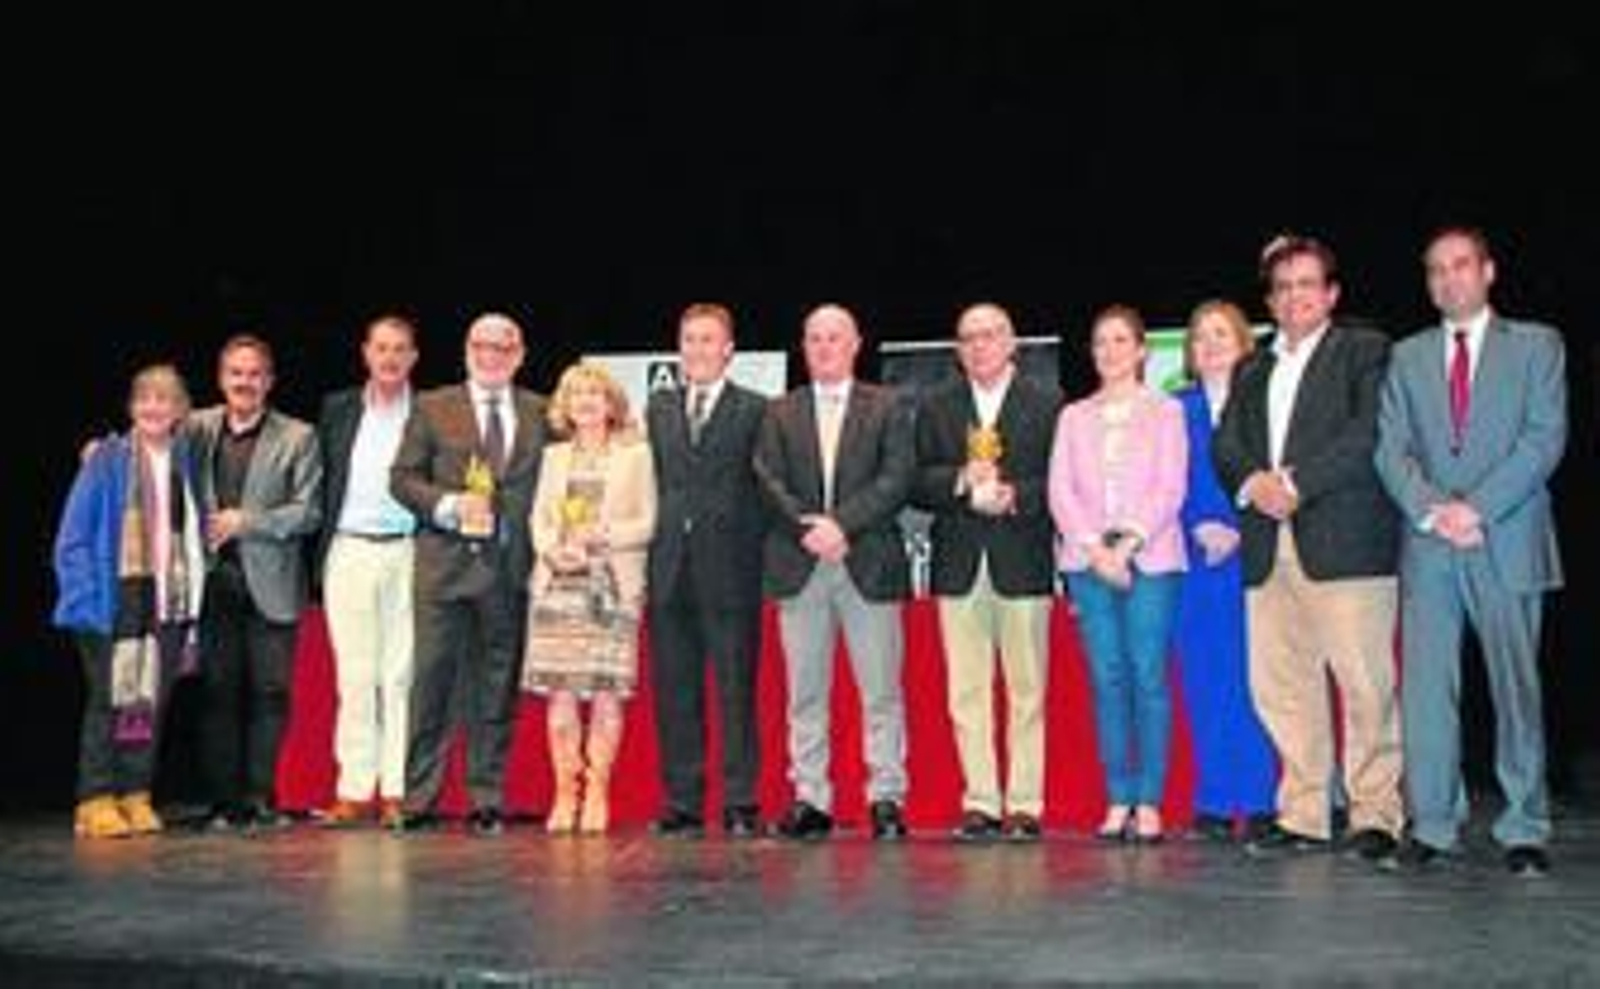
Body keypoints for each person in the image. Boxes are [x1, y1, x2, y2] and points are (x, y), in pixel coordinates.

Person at [1374, 226, 1567, 877]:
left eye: (1460, 265)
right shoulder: (1406, 356)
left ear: (1488, 272)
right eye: (1436, 270)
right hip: (1430, 543)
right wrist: (1435, 510)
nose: (1448, 279)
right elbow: (1391, 450)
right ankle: (1433, 823)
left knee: (1515, 687)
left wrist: (1476, 507)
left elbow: (1544, 438)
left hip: (1505, 536)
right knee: (1426, 690)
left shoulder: (1537, 345)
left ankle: (1524, 825)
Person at [1212, 234, 1403, 864]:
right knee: (1283, 686)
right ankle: (1304, 813)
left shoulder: (1365, 351)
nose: (1295, 296)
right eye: (1283, 287)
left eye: (1306, 284)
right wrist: (1252, 484)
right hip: (1269, 545)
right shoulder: (1252, 367)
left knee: (1365, 685)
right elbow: (1226, 444)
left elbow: (1367, 434)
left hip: (1346, 542)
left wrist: (1295, 484)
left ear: (1331, 293)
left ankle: (1376, 814)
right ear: (1270, 300)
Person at [753, 303, 914, 841]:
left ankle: (886, 796)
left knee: (881, 692)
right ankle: (810, 797)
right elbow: (768, 479)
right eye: (814, 338)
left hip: (866, 561)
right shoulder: (779, 412)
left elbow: (897, 478)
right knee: (805, 693)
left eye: (834, 337)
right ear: (804, 347)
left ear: (855, 344)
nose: (824, 347)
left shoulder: (889, 406)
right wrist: (810, 529)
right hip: (801, 565)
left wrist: (841, 525)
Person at [390, 312, 547, 836]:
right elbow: (402, 478)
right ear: (466, 351)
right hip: (444, 569)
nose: (491, 356)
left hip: (509, 570)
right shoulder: (433, 406)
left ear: (519, 355)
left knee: (496, 689)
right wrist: (449, 504)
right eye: (481, 346)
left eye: (502, 348)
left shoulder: (543, 411)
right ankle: (419, 798)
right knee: (431, 684)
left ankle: (487, 798)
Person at [911, 302, 1061, 842]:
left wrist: (1015, 495)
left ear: (1011, 342)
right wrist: (958, 481)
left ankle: (1024, 804)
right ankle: (980, 802)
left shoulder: (1048, 403)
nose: (979, 346)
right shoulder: (936, 405)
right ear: (958, 350)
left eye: (990, 335)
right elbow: (915, 481)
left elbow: (1063, 480)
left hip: (1023, 559)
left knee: (1027, 690)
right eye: (969, 338)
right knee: (966, 693)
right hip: (958, 563)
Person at [1049, 304, 1188, 844]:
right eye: (1100, 342)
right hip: (1087, 563)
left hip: (1150, 558)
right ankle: (1118, 796)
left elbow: (1170, 487)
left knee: (1147, 674)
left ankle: (1149, 799)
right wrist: (1095, 549)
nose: (1109, 351)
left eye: (1120, 341)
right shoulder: (1073, 416)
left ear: (1141, 350)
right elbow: (1061, 491)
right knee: (1106, 678)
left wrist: (1127, 545)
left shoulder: (1167, 411)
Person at [52, 364, 208, 838]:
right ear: (132, 407)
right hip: (109, 602)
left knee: (146, 704)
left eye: (164, 399)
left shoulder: (185, 462)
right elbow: (72, 538)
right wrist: (84, 600)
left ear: (180, 410)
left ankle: (134, 792)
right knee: (109, 702)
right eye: (144, 399)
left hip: (166, 604)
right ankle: (95, 798)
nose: (153, 408)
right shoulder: (106, 459)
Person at [191, 334, 324, 830]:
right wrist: (101, 450)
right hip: (213, 580)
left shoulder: (298, 436)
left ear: (269, 381)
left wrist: (247, 522)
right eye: (235, 373)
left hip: (273, 583)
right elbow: (148, 440)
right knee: (218, 694)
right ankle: (223, 803)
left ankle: (260, 798)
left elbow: (309, 512)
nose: (244, 382)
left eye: (254, 374)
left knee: (271, 694)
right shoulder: (195, 427)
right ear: (220, 378)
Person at [645, 303, 769, 839]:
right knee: (675, 692)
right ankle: (683, 801)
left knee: (735, 692)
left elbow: (766, 488)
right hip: (669, 568)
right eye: (689, 340)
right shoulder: (658, 409)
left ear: (728, 350)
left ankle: (740, 801)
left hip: (732, 570)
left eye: (708, 340)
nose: (697, 349)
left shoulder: (756, 410)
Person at [522, 361, 657, 835]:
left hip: (611, 586)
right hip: (558, 585)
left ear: (611, 404)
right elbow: (539, 519)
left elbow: (647, 522)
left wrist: (603, 535)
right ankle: (566, 791)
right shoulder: (553, 457)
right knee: (560, 696)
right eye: (576, 394)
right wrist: (551, 550)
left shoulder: (636, 455)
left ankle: (598, 790)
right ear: (565, 405)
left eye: (594, 394)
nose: (585, 402)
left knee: (605, 694)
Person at [1172, 300, 1279, 843]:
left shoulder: (1267, 403)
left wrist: (1239, 526)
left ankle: (1261, 798)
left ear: (1244, 345)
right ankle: (1214, 799)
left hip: (1252, 557)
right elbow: (1158, 482)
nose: (1210, 344)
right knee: (1204, 681)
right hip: (1193, 563)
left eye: (1222, 334)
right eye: (1200, 336)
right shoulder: (1173, 409)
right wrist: (1196, 524)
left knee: (1256, 681)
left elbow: (1278, 474)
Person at [313, 314, 421, 829]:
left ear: (413, 358)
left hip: (408, 550)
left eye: (400, 349)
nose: (390, 358)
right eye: (382, 348)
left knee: (399, 675)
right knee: (355, 675)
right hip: (349, 548)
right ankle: (355, 789)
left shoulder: (428, 412)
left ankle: (397, 790)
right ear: (366, 353)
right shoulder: (337, 410)